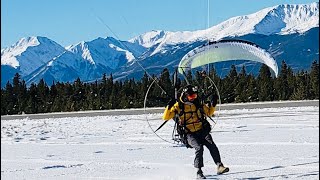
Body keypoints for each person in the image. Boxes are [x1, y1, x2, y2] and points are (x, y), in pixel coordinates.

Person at [162, 85, 229, 179]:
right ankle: (199, 171)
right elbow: (165, 117)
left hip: (201, 130)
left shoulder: (198, 104)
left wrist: (213, 104)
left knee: (211, 144)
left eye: (195, 96)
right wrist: (169, 107)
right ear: (185, 95)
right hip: (188, 134)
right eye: (191, 96)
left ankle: (219, 166)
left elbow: (209, 113)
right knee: (199, 147)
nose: (193, 98)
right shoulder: (178, 106)